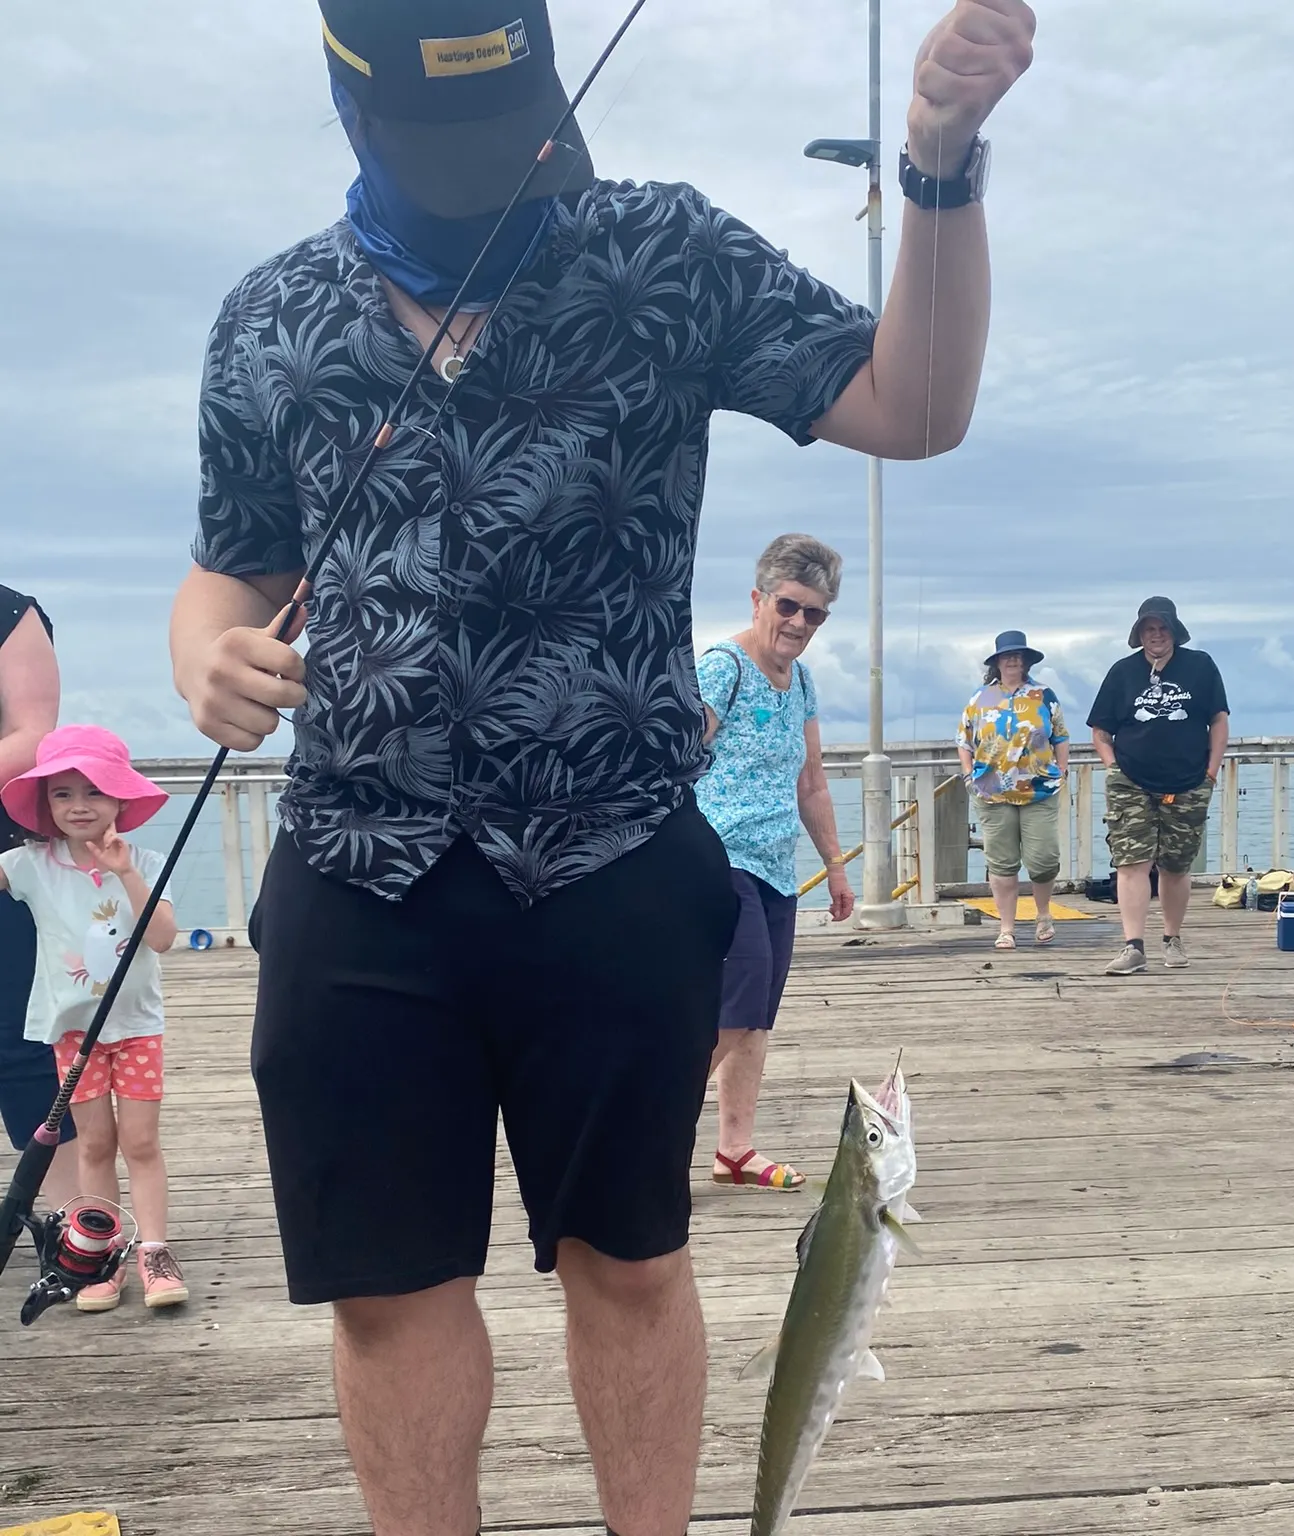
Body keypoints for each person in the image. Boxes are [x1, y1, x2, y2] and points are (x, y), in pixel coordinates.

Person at [167, 3, 1035, 1533]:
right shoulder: (269, 316)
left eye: (512, 131)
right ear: (357, 113)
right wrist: (204, 657)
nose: (494, 166)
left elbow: (916, 406)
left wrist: (938, 164)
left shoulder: (662, 252)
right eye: (447, 142)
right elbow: (230, 565)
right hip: (359, 870)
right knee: (385, 1290)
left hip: (617, 859)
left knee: (631, 1261)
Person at [0, 725, 187, 1309]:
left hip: (135, 1030)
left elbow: (162, 938)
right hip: (72, 1034)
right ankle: (102, 1255)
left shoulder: (148, 861)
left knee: (141, 1142)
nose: (78, 805)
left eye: (94, 791)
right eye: (62, 793)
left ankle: (154, 1250)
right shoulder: (29, 864)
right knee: (95, 1145)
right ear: (45, 805)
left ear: (120, 799)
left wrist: (126, 872)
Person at [696, 535, 853, 1193]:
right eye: (788, 606)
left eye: (814, 613)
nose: (798, 623)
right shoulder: (722, 668)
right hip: (715, 858)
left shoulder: (803, 682)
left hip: (774, 869)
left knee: (757, 1012)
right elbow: (672, 762)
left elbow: (811, 781)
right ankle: (647, 1133)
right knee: (734, 1001)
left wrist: (835, 866)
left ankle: (735, 1149)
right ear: (758, 599)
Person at [1087, 597, 1230, 976]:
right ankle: (1133, 946)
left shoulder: (1201, 666)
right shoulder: (1122, 672)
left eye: (1163, 628)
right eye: (1149, 629)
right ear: (1139, 634)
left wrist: (1211, 773)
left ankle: (1172, 938)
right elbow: (1100, 730)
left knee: (1176, 865)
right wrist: (1113, 768)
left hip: (1189, 781)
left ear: (1174, 631)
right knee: (1131, 862)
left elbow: (1218, 720)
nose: (1156, 635)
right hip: (1130, 781)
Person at [0, 585, 79, 1217]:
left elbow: (33, 734)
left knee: (22, 1041)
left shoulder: (8, 611)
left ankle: (68, 1221)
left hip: (6, 864)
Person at [956, 629, 1068, 949]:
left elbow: (1060, 735)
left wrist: (1062, 770)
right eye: (1007, 656)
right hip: (991, 791)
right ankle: (1007, 928)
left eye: (1018, 656)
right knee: (1002, 862)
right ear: (997, 662)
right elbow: (964, 740)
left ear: (1026, 661)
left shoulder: (1044, 695)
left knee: (1044, 858)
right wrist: (968, 775)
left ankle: (1043, 914)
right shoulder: (980, 698)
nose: (1013, 661)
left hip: (1039, 789)